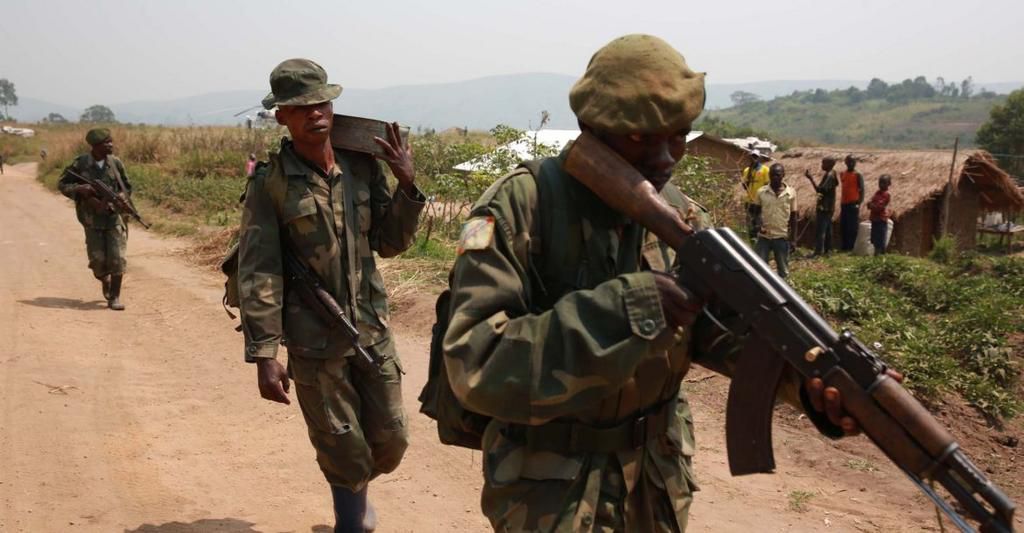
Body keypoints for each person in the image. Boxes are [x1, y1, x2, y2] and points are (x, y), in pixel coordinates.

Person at [443, 34, 873, 532]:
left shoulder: (679, 213)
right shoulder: (523, 205)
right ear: (590, 127)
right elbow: (476, 362)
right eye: (639, 137)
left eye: (677, 135)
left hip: (655, 479)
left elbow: (727, 335)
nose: (665, 156)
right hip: (549, 489)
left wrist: (813, 386)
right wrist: (630, 309)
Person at [236, 58, 425, 533]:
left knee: (392, 440)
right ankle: (351, 520)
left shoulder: (362, 166)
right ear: (281, 116)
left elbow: (390, 242)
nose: (314, 114)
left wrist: (406, 184)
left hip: (371, 327)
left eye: (321, 103)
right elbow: (260, 269)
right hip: (313, 341)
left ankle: (357, 492)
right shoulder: (270, 183)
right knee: (341, 445)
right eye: (300, 108)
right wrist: (264, 353)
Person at [57, 128, 133, 310]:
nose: (111, 145)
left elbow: (126, 186)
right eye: (107, 143)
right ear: (95, 146)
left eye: (111, 141)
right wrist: (79, 189)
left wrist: (122, 196)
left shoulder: (115, 163)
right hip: (92, 221)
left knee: (118, 258)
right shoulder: (81, 163)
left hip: (114, 218)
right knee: (97, 262)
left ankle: (114, 297)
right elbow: (62, 184)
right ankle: (104, 279)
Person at [754, 163, 798, 278]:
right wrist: (758, 224)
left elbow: (794, 217)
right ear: (769, 175)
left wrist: (793, 239)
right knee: (760, 269)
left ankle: (783, 293)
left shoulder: (791, 193)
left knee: (783, 271)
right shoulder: (761, 192)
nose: (775, 177)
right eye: (772, 175)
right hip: (764, 237)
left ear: (783, 175)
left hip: (782, 237)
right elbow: (756, 212)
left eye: (778, 175)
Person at [804, 156, 839, 256]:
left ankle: (818, 252)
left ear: (830, 164)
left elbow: (820, 190)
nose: (822, 165)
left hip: (825, 207)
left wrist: (811, 179)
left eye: (824, 163)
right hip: (829, 206)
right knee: (828, 229)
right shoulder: (833, 173)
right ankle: (828, 251)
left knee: (821, 230)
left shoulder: (829, 175)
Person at [741, 149, 770, 239]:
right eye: (752, 157)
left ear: (759, 158)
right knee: (750, 222)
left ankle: (760, 239)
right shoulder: (747, 170)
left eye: (755, 157)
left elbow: (767, 185)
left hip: (760, 201)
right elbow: (745, 186)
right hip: (749, 200)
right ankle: (752, 239)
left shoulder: (765, 170)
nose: (753, 159)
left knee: (759, 221)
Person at [838, 154, 865, 251]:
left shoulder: (858, 175)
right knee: (843, 226)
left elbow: (862, 190)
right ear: (845, 162)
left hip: (853, 204)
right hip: (844, 203)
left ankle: (851, 247)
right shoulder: (843, 174)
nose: (851, 164)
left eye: (853, 162)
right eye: (849, 162)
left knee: (852, 227)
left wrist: (859, 203)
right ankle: (844, 247)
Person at [868, 174, 892, 255]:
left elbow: (879, 207)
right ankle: (876, 256)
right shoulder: (877, 193)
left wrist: (871, 205)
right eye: (880, 182)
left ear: (889, 184)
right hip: (874, 219)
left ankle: (880, 257)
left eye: (884, 183)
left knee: (880, 240)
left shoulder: (886, 195)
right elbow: (870, 203)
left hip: (881, 219)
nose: (881, 184)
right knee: (874, 239)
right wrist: (871, 205)